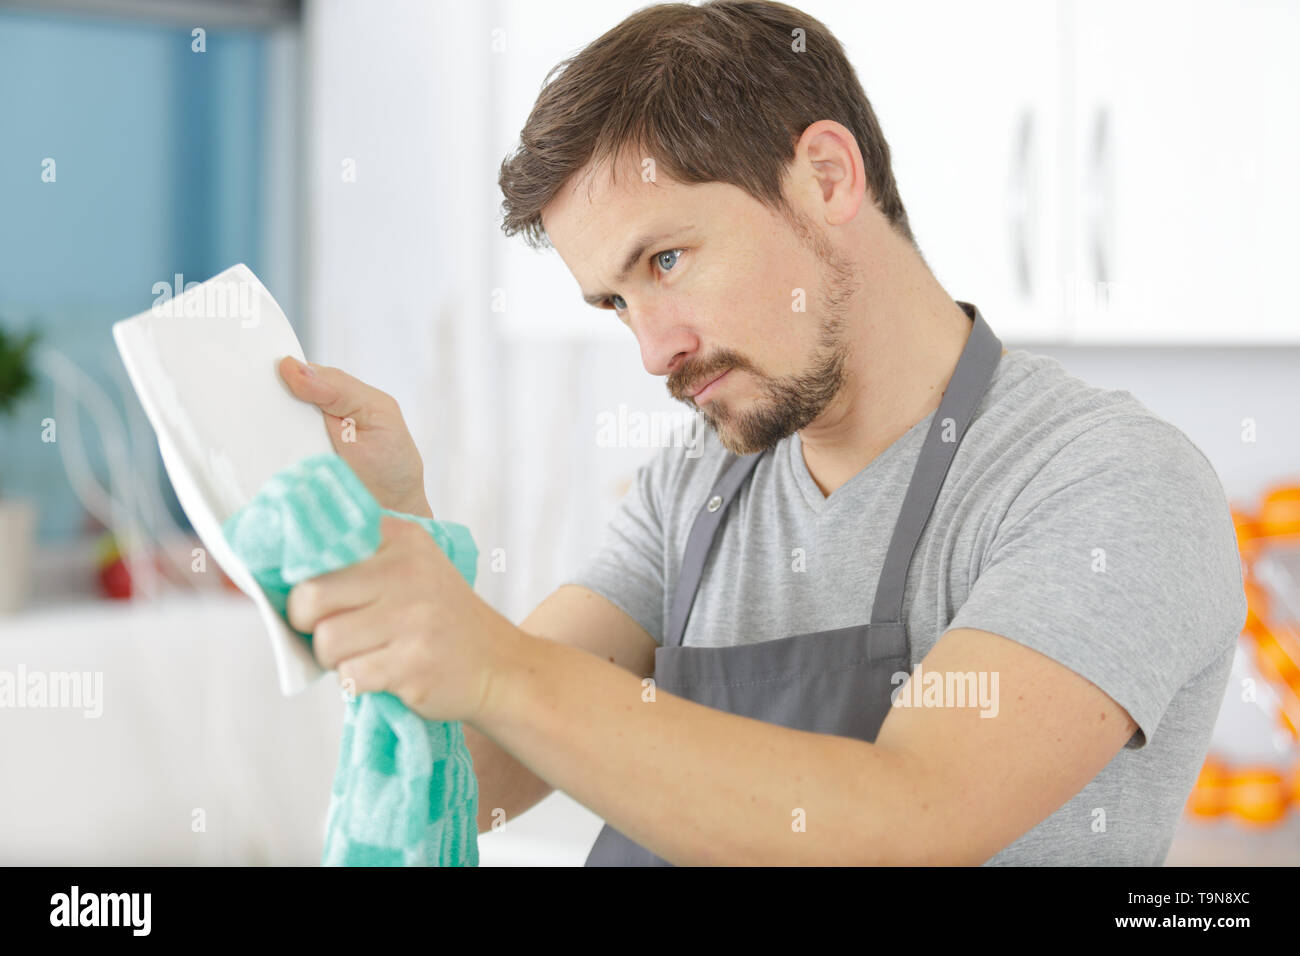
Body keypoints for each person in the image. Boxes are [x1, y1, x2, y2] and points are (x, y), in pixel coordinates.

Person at [277, 0, 1247, 865]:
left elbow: (915, 817)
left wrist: (494, 658)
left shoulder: (1106, 482)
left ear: (826, 175)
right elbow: (474, 782)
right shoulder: (696, 485)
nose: (654, 351)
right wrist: (394, 541)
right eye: (616, 300)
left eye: (667, 258)